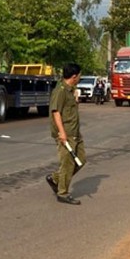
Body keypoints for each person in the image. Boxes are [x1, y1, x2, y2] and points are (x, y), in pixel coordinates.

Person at [46, 63, 86, 205]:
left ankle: (56, 178)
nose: (80, 78)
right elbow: (55, 112)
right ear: (74, 76)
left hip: (75, 132)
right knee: (68, 163)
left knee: (81, 159)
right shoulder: (60, 91)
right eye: (79, 76)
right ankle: (62, 193)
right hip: (66, 134)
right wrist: (61, 133)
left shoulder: (71, 90)